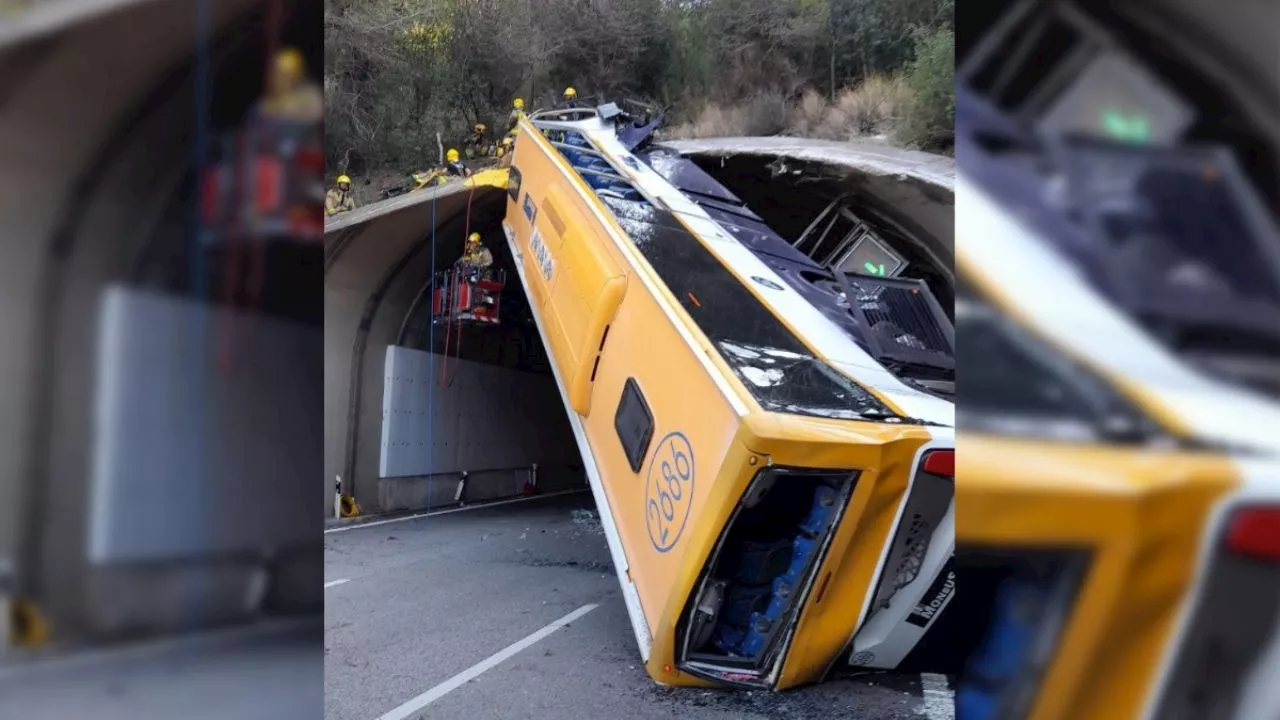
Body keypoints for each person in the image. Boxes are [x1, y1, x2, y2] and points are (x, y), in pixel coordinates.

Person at [259, 47, 323, 123]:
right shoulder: (267, 102)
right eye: (276, 74)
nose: (278, 79)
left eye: (284, 75)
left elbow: (317, 114)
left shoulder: (311, 95)